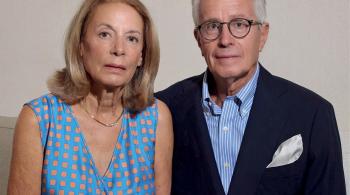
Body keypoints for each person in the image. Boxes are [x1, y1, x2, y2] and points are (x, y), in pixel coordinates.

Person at [155, 0, 346, 194]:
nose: (225, 40)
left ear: (262, 35)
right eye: (212, 26)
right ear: (198, 39)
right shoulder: (161, 111)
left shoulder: (312, 115)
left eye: (239, 24)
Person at [7, 0, 173, 194]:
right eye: (105, 34)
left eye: (132, 39)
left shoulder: (156, 119)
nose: (118, 49)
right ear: (81, 45)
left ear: (141, 56)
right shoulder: (38, 119)